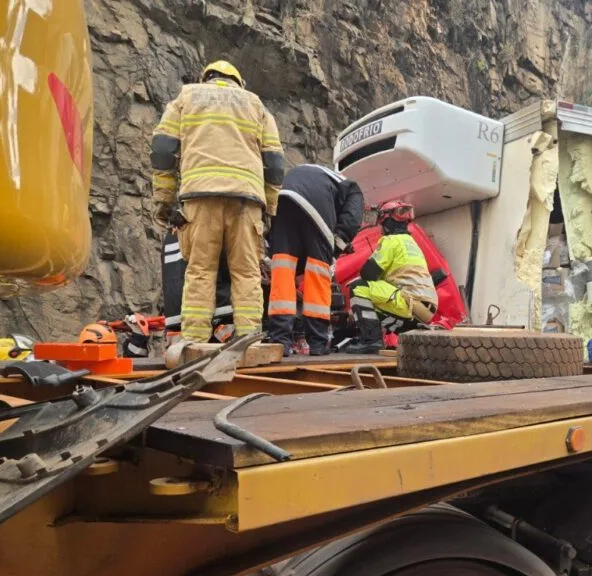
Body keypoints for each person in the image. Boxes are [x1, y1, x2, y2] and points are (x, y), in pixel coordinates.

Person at [150, 60, 285, 345]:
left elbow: (163, 149)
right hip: (246, 203)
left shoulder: (187, 97)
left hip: (200, 198)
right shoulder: (256, 105)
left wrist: (164, 199)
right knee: (247, 273)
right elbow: (274, 163)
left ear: (207, 78)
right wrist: (269, 208)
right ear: (238, 81)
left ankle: (195, 342)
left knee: (200, 271)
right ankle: (250, 341)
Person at [266, 164, 364, 355]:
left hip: (283, 198)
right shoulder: (352, 189)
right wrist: (337, 245)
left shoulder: (314, 173)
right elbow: (352, 219)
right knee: (318, 271)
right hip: (316, 199)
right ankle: (318, 344)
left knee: (283, 271)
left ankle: (280, 342)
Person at [344, 201, 438, 354]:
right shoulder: (411, 242)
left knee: (359, 287)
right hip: (425, 308)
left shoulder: (391, 241)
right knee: (375, 302)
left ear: (386, 221)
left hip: (409, 302)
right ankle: (410, 329)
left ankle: (371, 341)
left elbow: (368, 274)